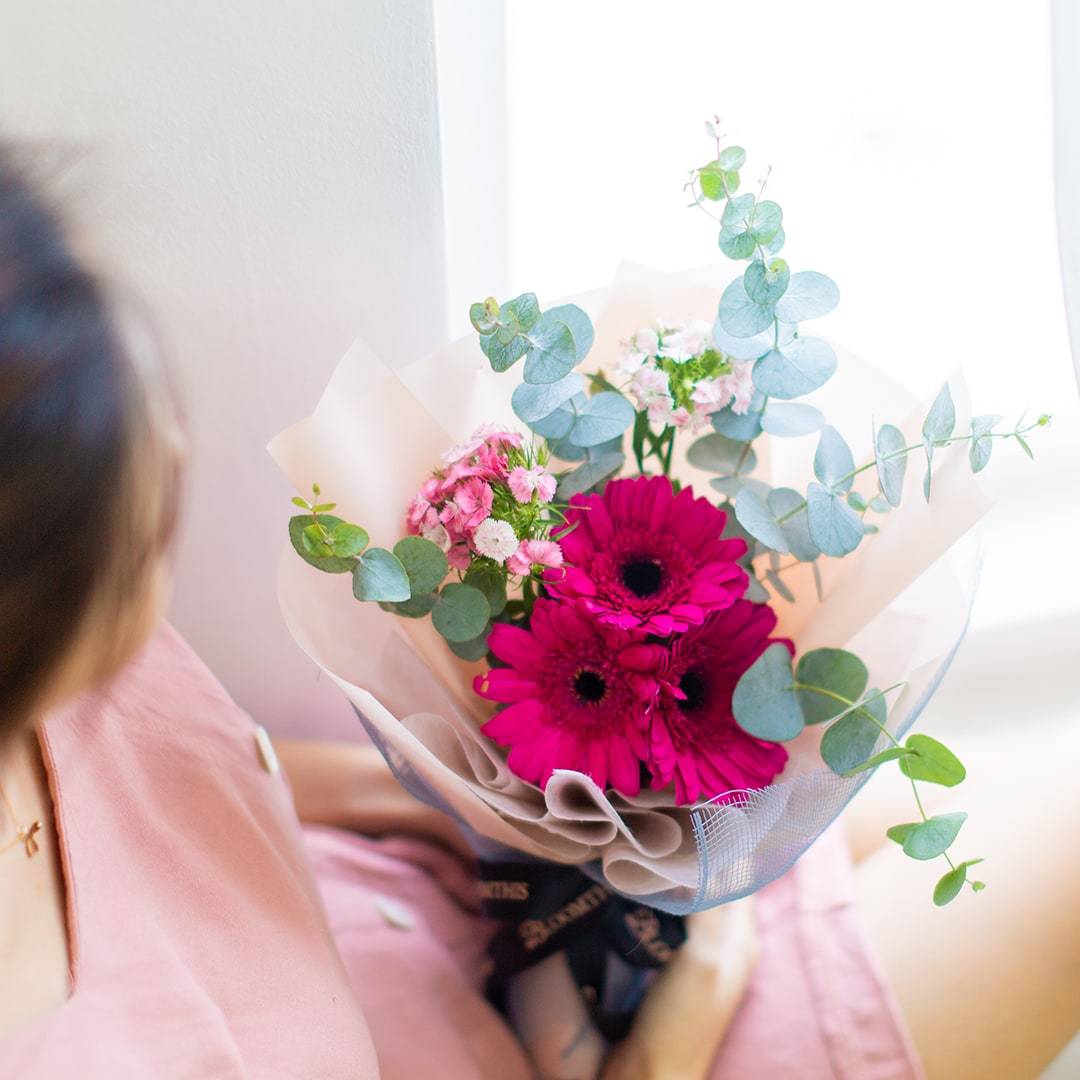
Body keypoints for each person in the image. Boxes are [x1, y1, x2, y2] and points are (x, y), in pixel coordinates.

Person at [0, 147, 1076, 1080]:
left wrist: (491, 816)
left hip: (432, 896)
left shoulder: (75, 666)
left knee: (946, 813)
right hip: (585, 1048)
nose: (175, 455)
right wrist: (687, 1010)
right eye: (133, 522)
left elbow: (204, 772)